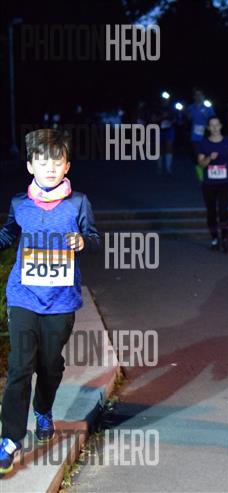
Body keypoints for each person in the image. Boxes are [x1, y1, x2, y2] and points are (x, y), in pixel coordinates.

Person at [0, 129, 101, 475]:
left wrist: (83, 242)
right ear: (30, 166)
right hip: (23, 295)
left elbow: (94, 238)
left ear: (67, 166)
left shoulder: (78, 203)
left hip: (61, 299)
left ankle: (43, 408)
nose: (50, 168)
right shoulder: (19, 203)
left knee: (50, 365)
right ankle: (10, 439)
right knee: (19, 366)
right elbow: (8, 233)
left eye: (57, 162)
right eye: (42, 162)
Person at [197, 116, 228, 252]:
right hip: (209, 184)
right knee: (211, 211)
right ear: (208, 128)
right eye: (211, 125)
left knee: (223, 210)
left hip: (225, 182)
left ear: (221, 126)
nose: (214, 128)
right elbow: (201, 163)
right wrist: (209, 158)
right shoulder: (204, 143)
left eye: (216, 124)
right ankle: (215, 238)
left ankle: (225, 238)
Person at [187, 88, 215, 183]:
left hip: (207, 136)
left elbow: (214, 120)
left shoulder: (208, 107)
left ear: (203, 96)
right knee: (197, 158)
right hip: (195, 137)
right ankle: (201, 179)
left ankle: (210, 177)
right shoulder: (190, 108)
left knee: (209, 157)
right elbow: (187, 120)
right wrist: (186, 115)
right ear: (194, 96)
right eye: (196, 95)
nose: (198, 97)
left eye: (200, 95)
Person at [152, 94, 176, 175]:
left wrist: (172, 120)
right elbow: (153, 120)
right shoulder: (157, 108)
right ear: (161, 99)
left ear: (169, 100)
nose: (165, 100)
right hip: (159, 130)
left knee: (169, 148)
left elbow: (177, 119)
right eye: (164, 99)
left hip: (169, 130)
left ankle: (168, 168)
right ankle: (159, 167)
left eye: (167, 99)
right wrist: (161, 117)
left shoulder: (172, 108)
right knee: (159, 149)